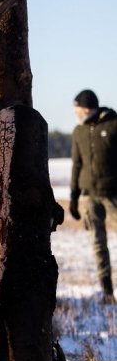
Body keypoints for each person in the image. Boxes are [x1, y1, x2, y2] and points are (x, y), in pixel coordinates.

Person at [69, 89, 117, 304]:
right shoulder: (78, 132)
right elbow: (77, 165)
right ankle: (107, 291)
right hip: (90, 197)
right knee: (98, 244)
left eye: (77, 109)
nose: (76, 113)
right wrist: (73, 197)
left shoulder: (114, 125)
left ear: (86, 108)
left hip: (113, 194)